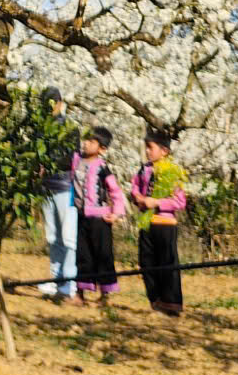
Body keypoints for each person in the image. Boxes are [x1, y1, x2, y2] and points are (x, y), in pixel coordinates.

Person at [132, 128, 190, 317]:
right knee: (146, 262)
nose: (147, 151)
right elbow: (135, 188)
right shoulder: (144, 170)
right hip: (147, 223)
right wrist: (138, 197)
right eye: (146, 147)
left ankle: (171, 305)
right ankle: (155, 301)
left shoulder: (173, 172)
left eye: (151, 147)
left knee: (167, 264)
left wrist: (156, 202)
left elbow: (180, 202)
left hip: (165, 224)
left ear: (164, 151)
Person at [72, 125, 126, 306]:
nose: (86, 144)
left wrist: (117, 213)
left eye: (91, 141)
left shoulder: (103, 168)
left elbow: (115, 192)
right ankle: (80, 294)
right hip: (81, 216)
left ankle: (105, 295)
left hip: (100, 219)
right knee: (82, 255)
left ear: (102, 148)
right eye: (85, 139)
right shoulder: (76, 160)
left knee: (103, 255)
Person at [36, 86, 80, 301]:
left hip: (65, 187)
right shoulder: (41, 129)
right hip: (47, 188)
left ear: (61, 104)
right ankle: (56, 279)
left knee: (68, 236)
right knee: (53, 236)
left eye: (54, 102)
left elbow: (71, 158)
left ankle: (69, 284)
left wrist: (49, 163)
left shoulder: (71, 129)